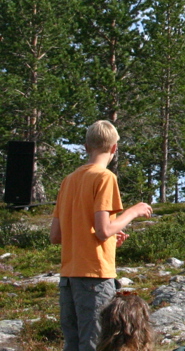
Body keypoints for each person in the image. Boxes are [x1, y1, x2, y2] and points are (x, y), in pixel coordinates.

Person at [49, 120, 153, 351]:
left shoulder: (68, 181)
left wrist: (108, 237)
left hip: (69, 276)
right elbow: (103, 229)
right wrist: (132, 212)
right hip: (95, 276)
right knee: (95, 343)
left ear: (86, 147)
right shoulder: (105, 178)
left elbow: (56, 235)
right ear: (114, 148)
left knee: (73, 343)